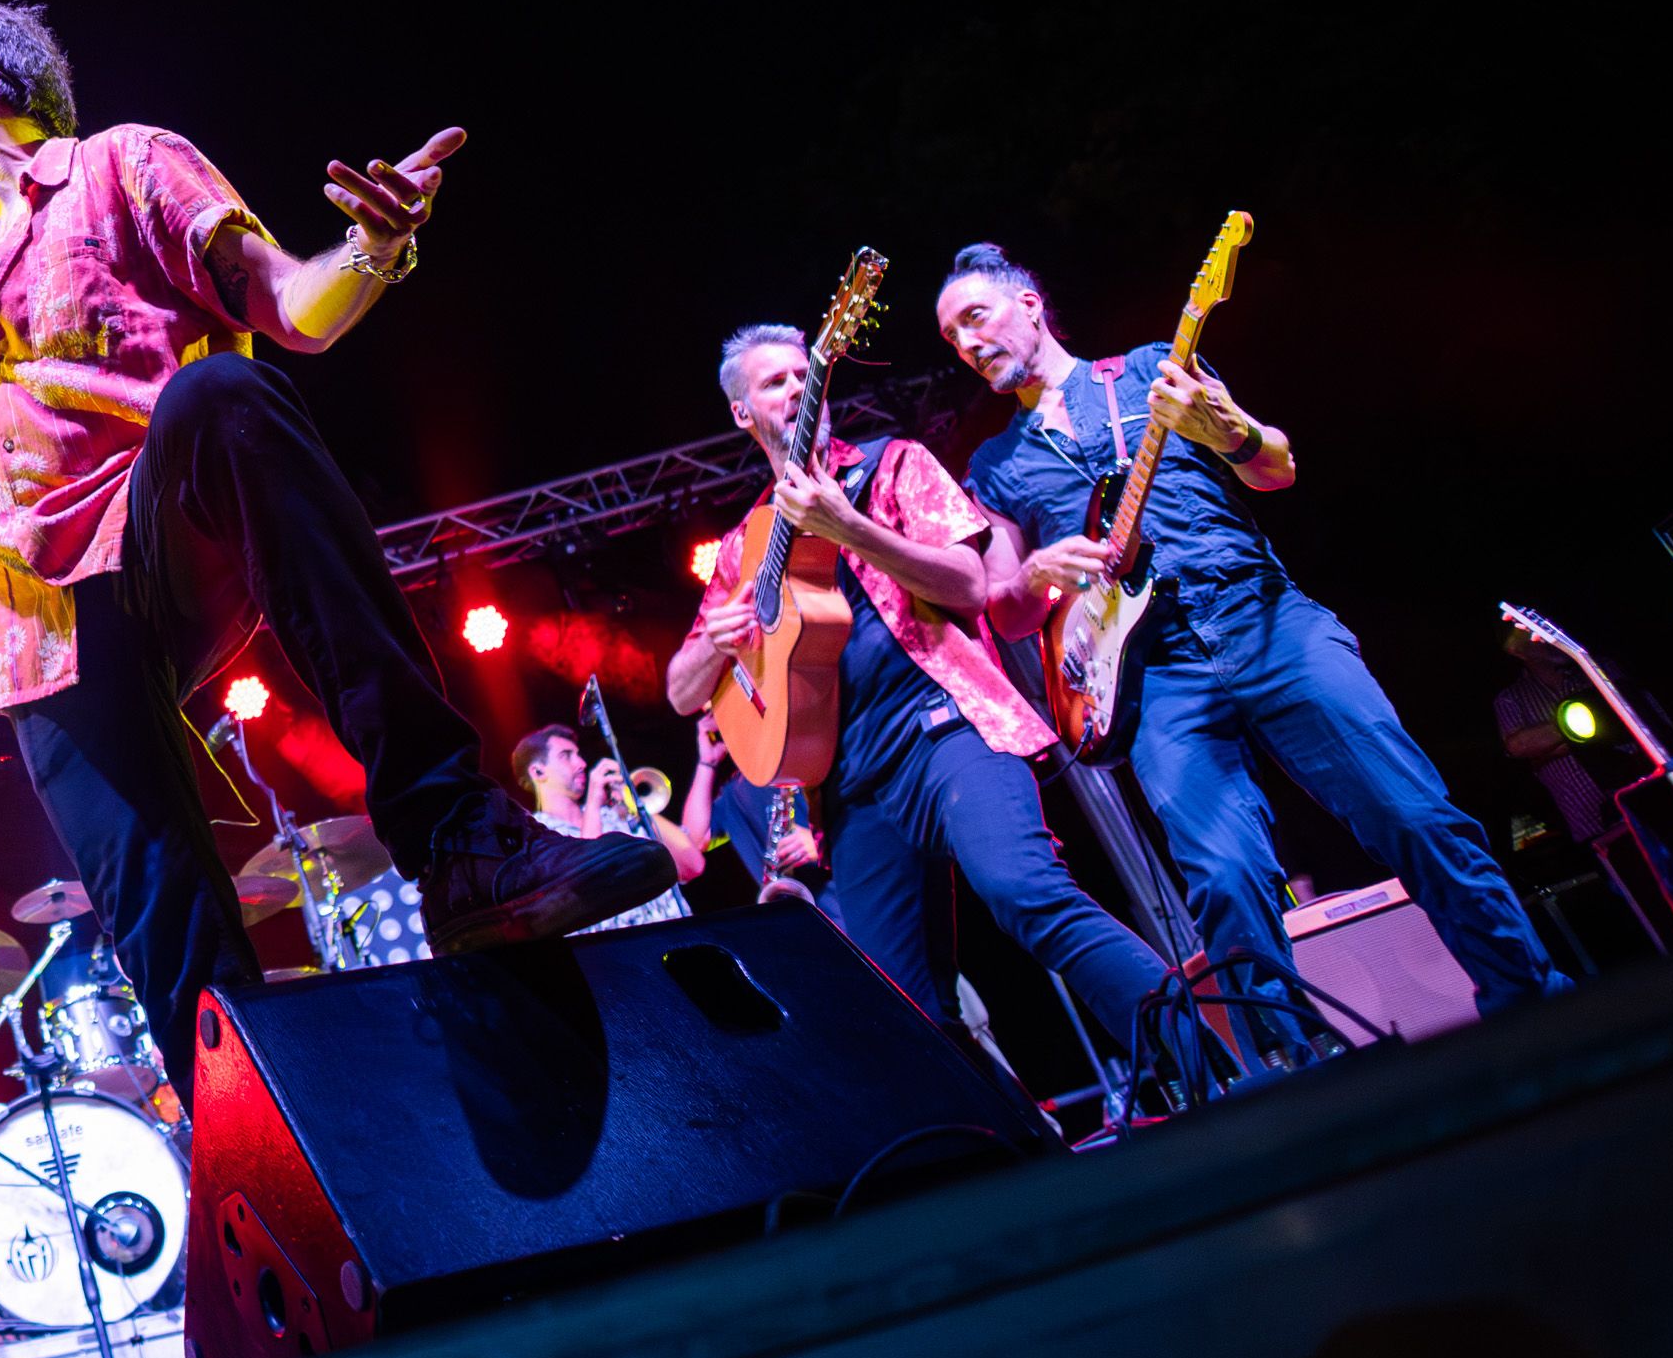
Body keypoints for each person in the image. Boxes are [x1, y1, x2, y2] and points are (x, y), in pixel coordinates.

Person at [0, 2, 667, 1053]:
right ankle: (252, 1152)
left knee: (221, 393)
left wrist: (370, 248)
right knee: (169, 937)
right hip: (39, 632)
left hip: (163, 526)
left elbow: (293, 312)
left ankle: (456, 842)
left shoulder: (122, 165)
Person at [936, 242, 1571, 1038]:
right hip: (1156, 677)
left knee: (1410, 811)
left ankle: (1530, 993)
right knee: (1225, 879)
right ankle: (1295, 1072)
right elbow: (1006, 609)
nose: (967, 342)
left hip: (1262, 619)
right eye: (952, 337)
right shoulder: (994, 464)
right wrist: (1035, 572)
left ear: (1028, 303)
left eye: (975, 316)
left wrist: (1232, 431)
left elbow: (1276, 469)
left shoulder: (1144, 369)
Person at [666, 326, 1170, 1054]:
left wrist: (850, 526)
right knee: (901, 1007)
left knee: (1024, 891)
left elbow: (971, 585)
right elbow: (684, 692)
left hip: (946, 731)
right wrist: (715, 642)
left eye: (805, 373)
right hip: (850, 789)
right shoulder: (748, 543)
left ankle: (1198, 1045)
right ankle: (995, 1153)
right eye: (774, 382)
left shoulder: (890, 466)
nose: (799, 387)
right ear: (743, 413)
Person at [511, 718, 715, 931]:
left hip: (685, 936)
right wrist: (593, 801)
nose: (581, 763)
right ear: (538, 772)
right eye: (566, 756)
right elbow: (588, 882)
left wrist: (634, 804)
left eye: (578, 754)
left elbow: (693, 864)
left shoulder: (613, 814)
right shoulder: (538, 839)